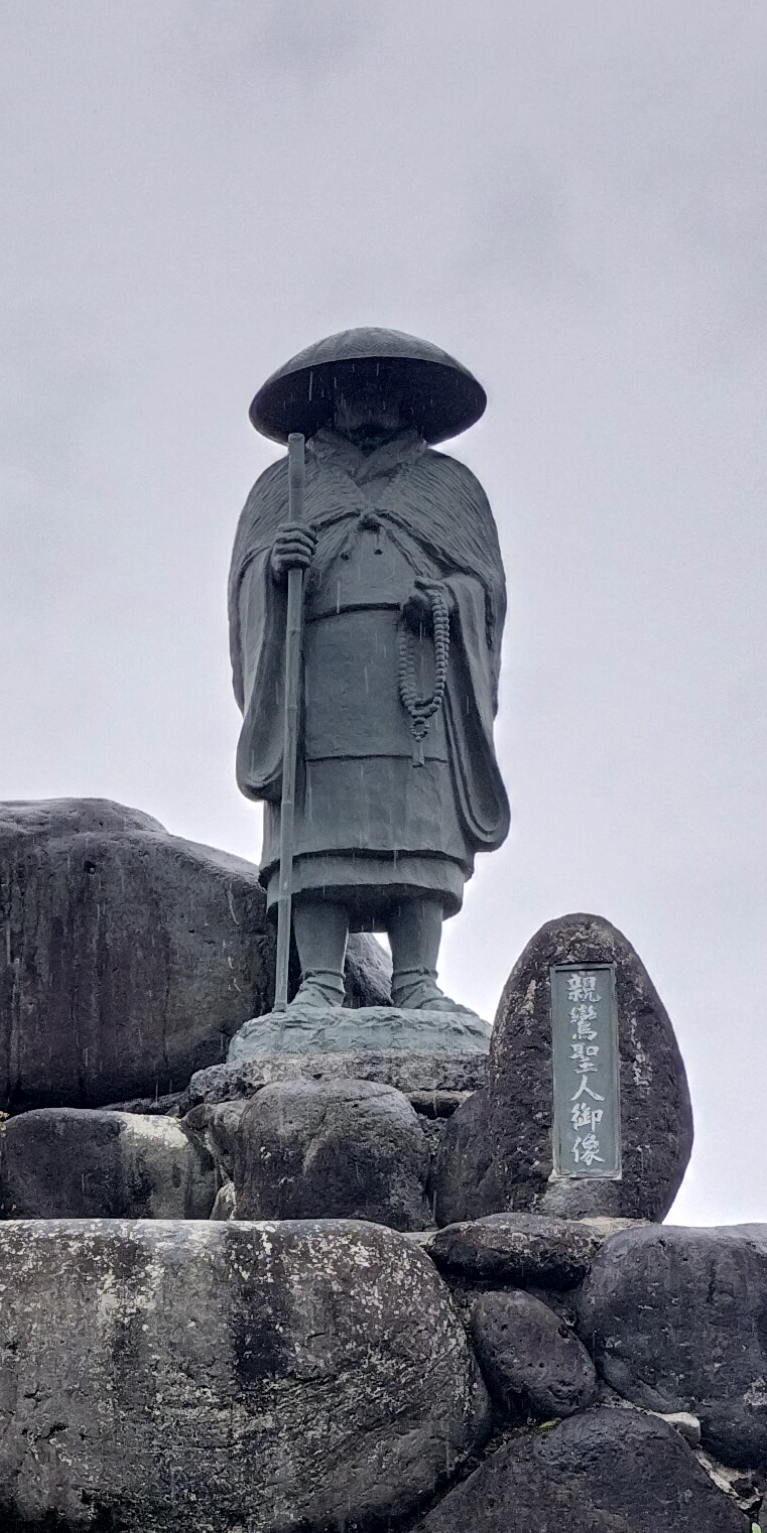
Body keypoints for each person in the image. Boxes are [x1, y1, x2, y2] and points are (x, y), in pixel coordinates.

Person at [228, 326, 508, 1022]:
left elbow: (486, 588)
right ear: (330, 400)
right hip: (317, 678)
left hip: (418, 675)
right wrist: (274, 569)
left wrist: (448, 600)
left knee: (417, 826)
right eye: (355, 387)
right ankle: (319, 978)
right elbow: (246, 585)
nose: (370, 400)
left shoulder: (448, 485)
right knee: (316, 825)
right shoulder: (286, 484)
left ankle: (417, 977)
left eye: (386, 385)